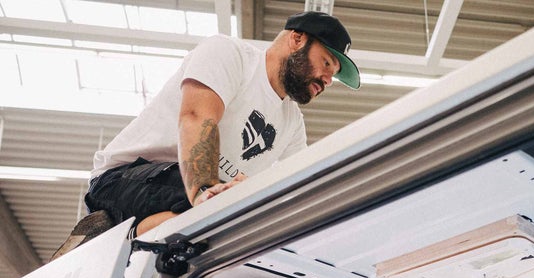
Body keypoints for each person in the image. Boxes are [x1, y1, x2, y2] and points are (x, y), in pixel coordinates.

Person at [53, 11, 360, 258]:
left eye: (333, 73)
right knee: (218, 201)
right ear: (297, 39)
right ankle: (106, 241)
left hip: (202, 202)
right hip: (124, 178)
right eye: (327, 63)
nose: (329, 79)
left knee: (250, 221)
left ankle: (126, 240)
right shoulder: (230, 54)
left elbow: (295, 191)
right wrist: (205, 192)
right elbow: (197, 118)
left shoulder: (292, 124)